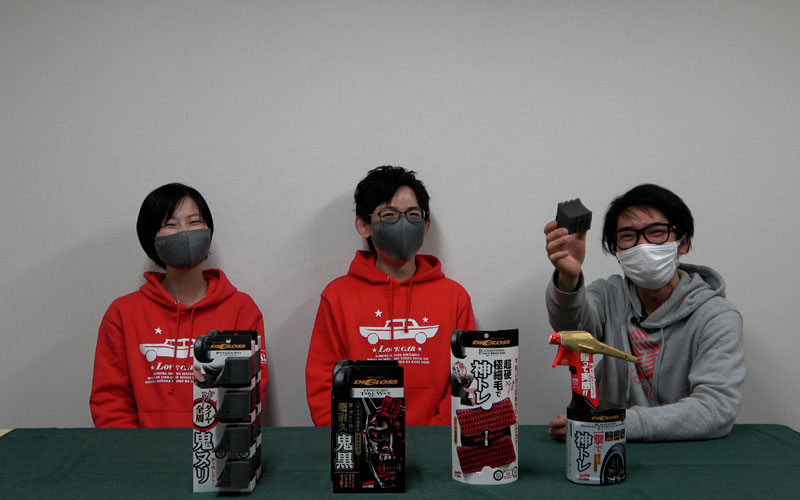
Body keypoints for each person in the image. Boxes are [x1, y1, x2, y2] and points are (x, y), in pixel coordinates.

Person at [543, 183, 744, 442]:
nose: (643, 245)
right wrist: (568, 277)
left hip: (687, 452)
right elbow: (572, 333)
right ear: (617, 251)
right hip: (612, 451)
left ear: (682, 243)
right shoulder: (609, 295)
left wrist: (611, 424)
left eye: (656, 232)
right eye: (628, 236)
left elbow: (715, 410)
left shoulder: (717, 317)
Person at [305, 166, 475, 426]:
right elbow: (323, 384)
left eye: (413, 215)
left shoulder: (455, 297)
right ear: (364, 225)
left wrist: (434, 439)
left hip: (437, 444)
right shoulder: (337, 297)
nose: (403, 224)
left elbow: (465, 376)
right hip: (363, 443)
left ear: (426, 224)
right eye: (389, 215)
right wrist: (363, 440)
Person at [90, 183, 268, 427]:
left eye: (194, 222)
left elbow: (249, 393)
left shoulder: (241, 309)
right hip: (143, 450)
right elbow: (110, 401)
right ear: (150, 238)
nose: (184, 232)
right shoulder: (122, 313)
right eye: (170, 224)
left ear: (208, 230)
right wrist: (133, 448)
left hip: (218, 446)